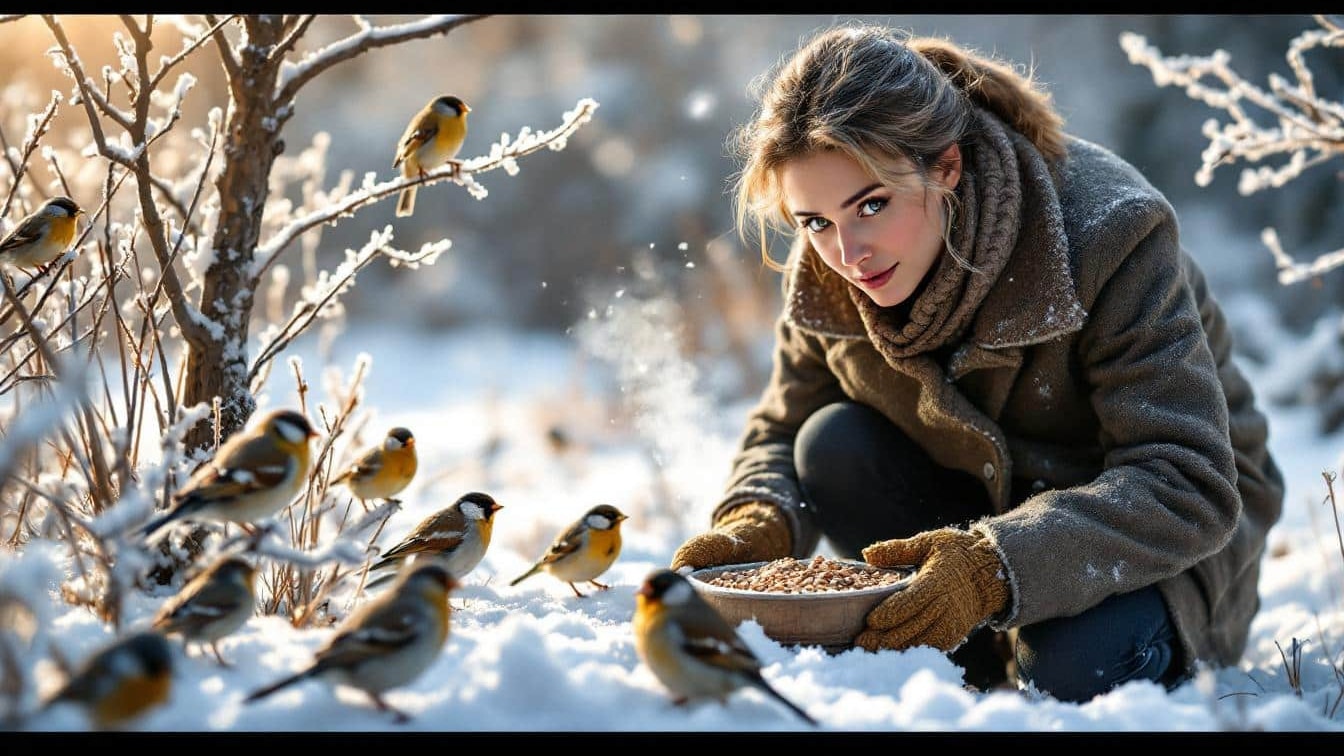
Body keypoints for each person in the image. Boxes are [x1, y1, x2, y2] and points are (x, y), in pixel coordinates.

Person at [670, 23, 1284, 703]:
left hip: (1147, 542)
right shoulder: (829, 269)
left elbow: (1187, 481)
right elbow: (785, 426)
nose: (848, 252)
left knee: (1073, 671)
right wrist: (758, 518)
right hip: (965, 525)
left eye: (872, 205)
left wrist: (993, 567)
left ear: (947, 168)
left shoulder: (1111, 233)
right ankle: (967, 656)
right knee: (829, 443)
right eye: (813, 221)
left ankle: (1022, 642)